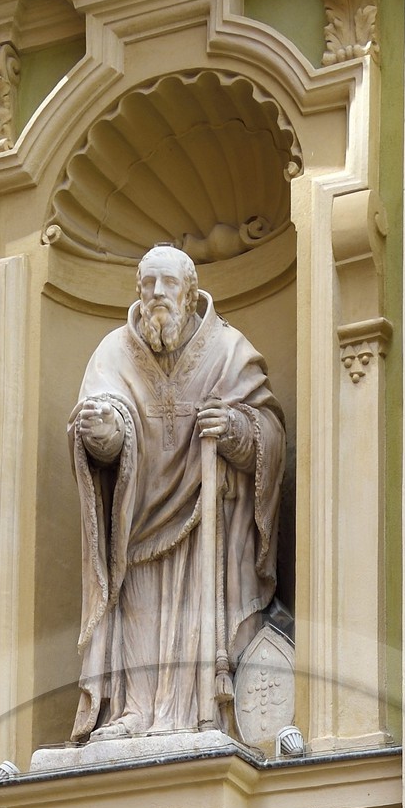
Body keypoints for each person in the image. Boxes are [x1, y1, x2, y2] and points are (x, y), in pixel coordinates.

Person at [68, 244, 285, 742]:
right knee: (140, 614)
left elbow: (269, 431)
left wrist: (235, 428)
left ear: (190, 293)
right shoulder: (113, 353)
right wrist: (104, 433)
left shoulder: (229, 350)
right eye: (149, 284)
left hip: (210, 527)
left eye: (168, 284)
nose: (157, 294)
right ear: (138, 291)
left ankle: (201, 710)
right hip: (138, 522)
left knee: (199, 618)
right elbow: (102, 417)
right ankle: (133, 713)